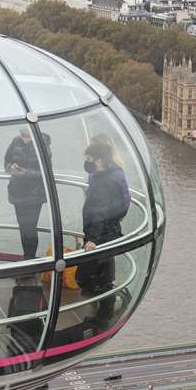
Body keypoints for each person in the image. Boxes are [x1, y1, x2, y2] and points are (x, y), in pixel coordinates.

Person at [77, 136, 130, 322]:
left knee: (85, 277)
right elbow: (123, 203)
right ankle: (104, 312)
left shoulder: (103, 183)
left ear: (99, 160)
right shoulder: (116, 173)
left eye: (89, 159)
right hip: (112, 231)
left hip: (101, 235)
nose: (87, 163)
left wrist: (91, 239)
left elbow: (99, 213)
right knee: (105, 273)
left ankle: (103, 314)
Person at [4, 126, 50, 261]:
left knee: (29, 228)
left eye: (27, 137)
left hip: (34, 194)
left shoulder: (42, 143)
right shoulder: (15, 141)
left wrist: (26, 174)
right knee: (23, 228)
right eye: (23, 137)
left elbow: (46, 172)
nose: (25, 140)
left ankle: (29, 259)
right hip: (17, 192)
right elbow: (6, 161)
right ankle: (28, 258)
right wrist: (10, 167)